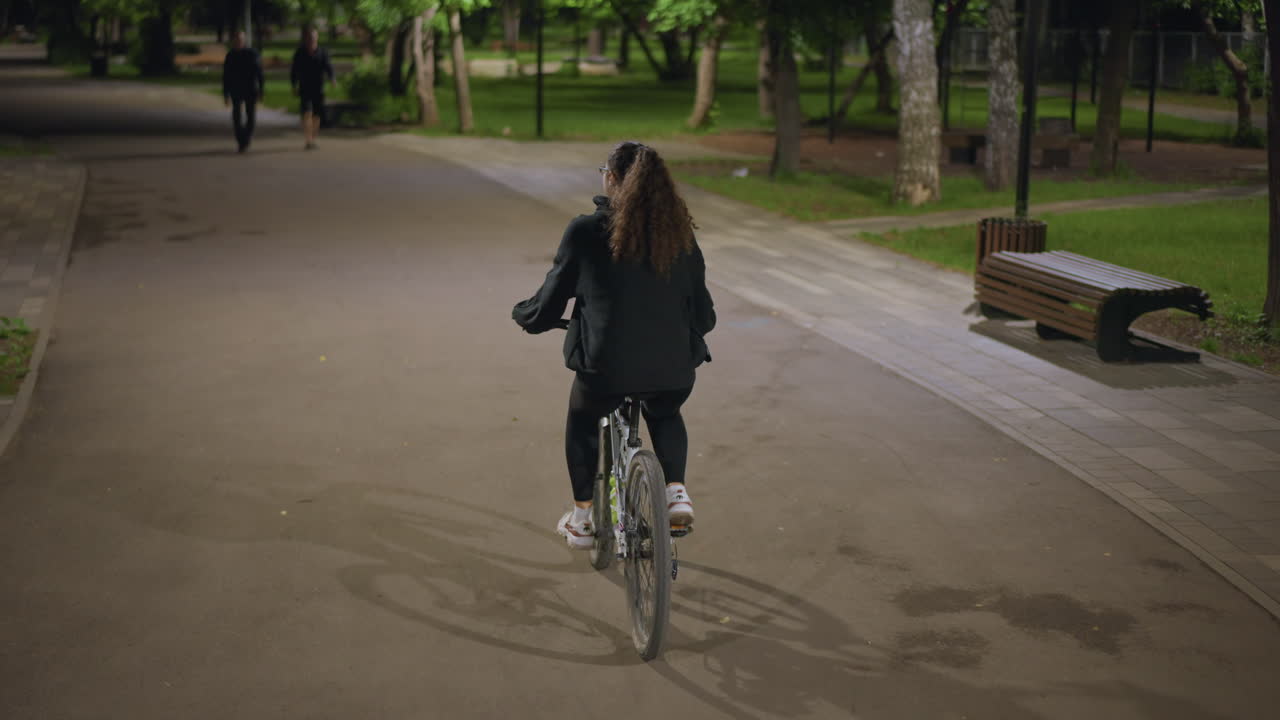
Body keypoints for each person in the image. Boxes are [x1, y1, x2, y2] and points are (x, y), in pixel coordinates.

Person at [513, 141, 716, 549]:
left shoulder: (587, 231)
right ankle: (676, 491)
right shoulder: (680, 238)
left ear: (611, 178)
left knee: (584, 419)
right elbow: (704, 314)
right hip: (673, 368)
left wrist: (529, 315)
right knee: (666, 409)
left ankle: (583, 519)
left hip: (606, 369)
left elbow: (553, 295)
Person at [290, 28, 335, 150]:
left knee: (316, 114)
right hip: (304, 87)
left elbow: (328, 66)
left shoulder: (322, 52)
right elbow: (294, 70)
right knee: (306, 112)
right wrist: (294, 85)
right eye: (310, 37)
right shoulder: (300, 53)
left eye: (314, 37)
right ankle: (308, 139)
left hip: (318, 87)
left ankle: (313, 137)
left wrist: (332, 79)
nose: (311, 40)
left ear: (317, 38)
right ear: (306, 39)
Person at [221, 31, 264, 153]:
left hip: (250, 89)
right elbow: (226, 76)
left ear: (244, 41)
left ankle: (247, 136)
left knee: (251, 115)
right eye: (237, 39)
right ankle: (241, 140)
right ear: (234, 41)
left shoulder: (252, 54)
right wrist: (225, 94)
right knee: (236, 116)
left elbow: (259, 73)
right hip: (236, 89)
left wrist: (261, 89)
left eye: (241, 39)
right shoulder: (230, 56)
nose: (239, 42)